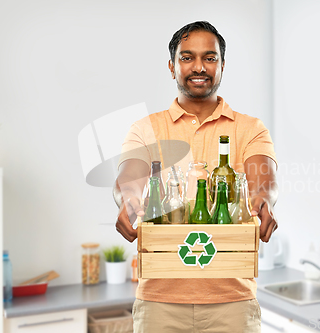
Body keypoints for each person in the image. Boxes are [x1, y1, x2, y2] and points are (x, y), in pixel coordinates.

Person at [114, 21, 278, 333]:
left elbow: (263, 180)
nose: (199, 67)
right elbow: (129, 177)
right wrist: (129, 201)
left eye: (210, 57)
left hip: (232, 302)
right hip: (159, 302)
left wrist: (263, 202)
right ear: (171, 66)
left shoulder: (250, 129)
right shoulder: (145, 129)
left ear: (222, 65)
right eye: (187, 57)